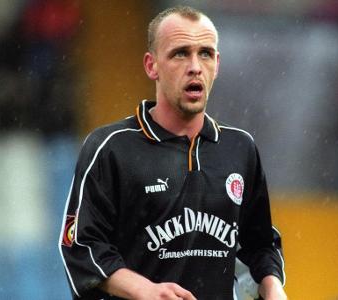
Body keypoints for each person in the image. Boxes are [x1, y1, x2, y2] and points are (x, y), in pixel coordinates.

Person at [59, 6, 286, 300]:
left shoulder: (240, 148)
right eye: (180, 53)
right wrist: (145, 291)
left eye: (205, 53)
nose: (195, 66)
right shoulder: (111, 148)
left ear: (217, 64)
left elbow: (260, 245)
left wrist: (273, 288)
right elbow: (80, 246)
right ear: (151, 65)